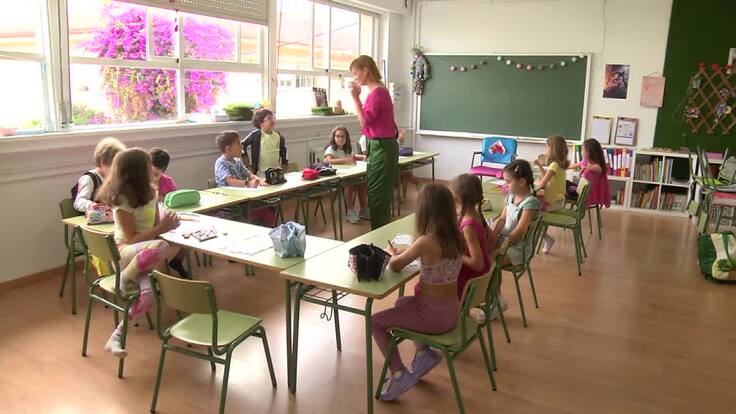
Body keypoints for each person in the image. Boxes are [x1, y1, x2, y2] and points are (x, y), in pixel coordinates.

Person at [372, 184, 464, 401]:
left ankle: (399, 374)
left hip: (431, 318)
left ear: (424, 211)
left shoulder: (426, 242)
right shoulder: (456, 237)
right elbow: (429, 255)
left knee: (375, 321)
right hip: (451, 312)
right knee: (402, 303)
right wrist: (410, 250)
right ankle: (423, 354)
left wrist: (391, 254)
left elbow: (395, 266)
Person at [95, 148, 179, 358]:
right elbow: (132, 239)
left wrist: (168, 223)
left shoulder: (152, 191)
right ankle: (123, 278)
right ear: (138, 170)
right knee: (162, 247)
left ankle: (116, 336)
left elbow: (154, 226)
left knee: (149, 297)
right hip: (125, 254)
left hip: (144, 256)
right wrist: (161, 229)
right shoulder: (121, 200)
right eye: (148, 164)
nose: (152, 168)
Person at [350, 55, 399, 230]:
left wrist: (355, 97)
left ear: (366, 70)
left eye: (356, 73)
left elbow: (364, 121)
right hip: (379, 146)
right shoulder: (377, 91)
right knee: (377, 193)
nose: (355, 78)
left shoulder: (378, 93)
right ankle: (380, 233)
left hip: (381, 147)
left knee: (378, 195)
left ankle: (379, 235)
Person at [490, 160, 540, 318]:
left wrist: (499, 248)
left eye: (508, 182)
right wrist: (492, 237)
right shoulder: (511, 196)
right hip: (505, 241)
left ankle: (496, 301)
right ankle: (493, 298)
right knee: (483, 255)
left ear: (522, 182)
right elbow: (502, 220)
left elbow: (519, 232)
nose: (505, 185)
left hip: (518, 248)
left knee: (490, 262)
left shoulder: (530, 203)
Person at [214, 130, 275, 226]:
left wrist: (258, 180)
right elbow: (230, 181)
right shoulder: (221, 163)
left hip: (243, 199)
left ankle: (267, 228)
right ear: (228, 148)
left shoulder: (237, 161)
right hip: (230, 203)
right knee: (265, 210)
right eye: (238, 144)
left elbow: (249, 175)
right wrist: (248, 184)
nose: (242, 146)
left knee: (269, 207)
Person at [149, 147, 189, 278]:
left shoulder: (167, 181)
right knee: (160, 242)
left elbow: (177, 200)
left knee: (188, 233)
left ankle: (176, 261)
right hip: (153, 224)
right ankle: (162, 273)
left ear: (163, 170)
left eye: (156, 174)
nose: (152, 177)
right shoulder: (142, 184)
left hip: (167, 220)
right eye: (150, 172)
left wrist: (165, 198)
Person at [452, 174, 493, 298]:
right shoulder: (476, 214)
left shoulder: (468, 226)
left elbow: (478, 264)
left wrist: (456, 254)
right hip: (480, 277)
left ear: (457, 197)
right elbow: (492, 237)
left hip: (471, 282)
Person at [324, 125, 368, 224]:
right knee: (349, 184)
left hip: (348, 175)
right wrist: (344, 160)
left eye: (342, 136)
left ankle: (364, 209)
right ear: (334, 137)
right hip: (336, 177)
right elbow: (328, 160)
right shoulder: (331, 149)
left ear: (346, 138)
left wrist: (362, 157)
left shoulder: (347, 149)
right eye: (337, 136)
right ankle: (350, 211)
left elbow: (353, 157)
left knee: (362, 183)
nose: (340, 139)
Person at [534, 134, 569, 253]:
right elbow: (546, 177)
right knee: (531, 210)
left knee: (530, 215)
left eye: (547, 147)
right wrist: (539, 165)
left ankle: (546, 239)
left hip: (552, 203)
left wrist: (535, 185)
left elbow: (542, 184)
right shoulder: (559, 164)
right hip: (557, 200)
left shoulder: (554, 165)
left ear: (553, 149)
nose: (546, 150)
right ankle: (542, 237)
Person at [73, 137, 126, 213]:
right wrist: (91, 205)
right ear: (102, 163)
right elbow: (79, 202)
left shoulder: (114, 179)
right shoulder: (89, 179)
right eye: (113, 167)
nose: (117, 171)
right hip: (92, 218)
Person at [241, 108, 288, 177]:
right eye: (269, 118)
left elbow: (283, 151)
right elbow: (242, 145)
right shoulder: (255, 135)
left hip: (276, 171)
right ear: (260, 122)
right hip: (261, 172)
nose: (272, 120)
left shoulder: (279, 137)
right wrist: (245, 159)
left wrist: (284, 162)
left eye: (273, 118)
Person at [568, 139, 611, 208]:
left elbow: (599, 169)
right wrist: (561, 165)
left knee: (567, 187)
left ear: (589, 152)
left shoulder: (597, 165)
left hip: (590, 193)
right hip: (585, 191)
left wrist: (586, 168)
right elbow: (573, 165)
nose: (581, 152)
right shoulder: (585, 161)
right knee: (568, 184)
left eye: (582, 150)